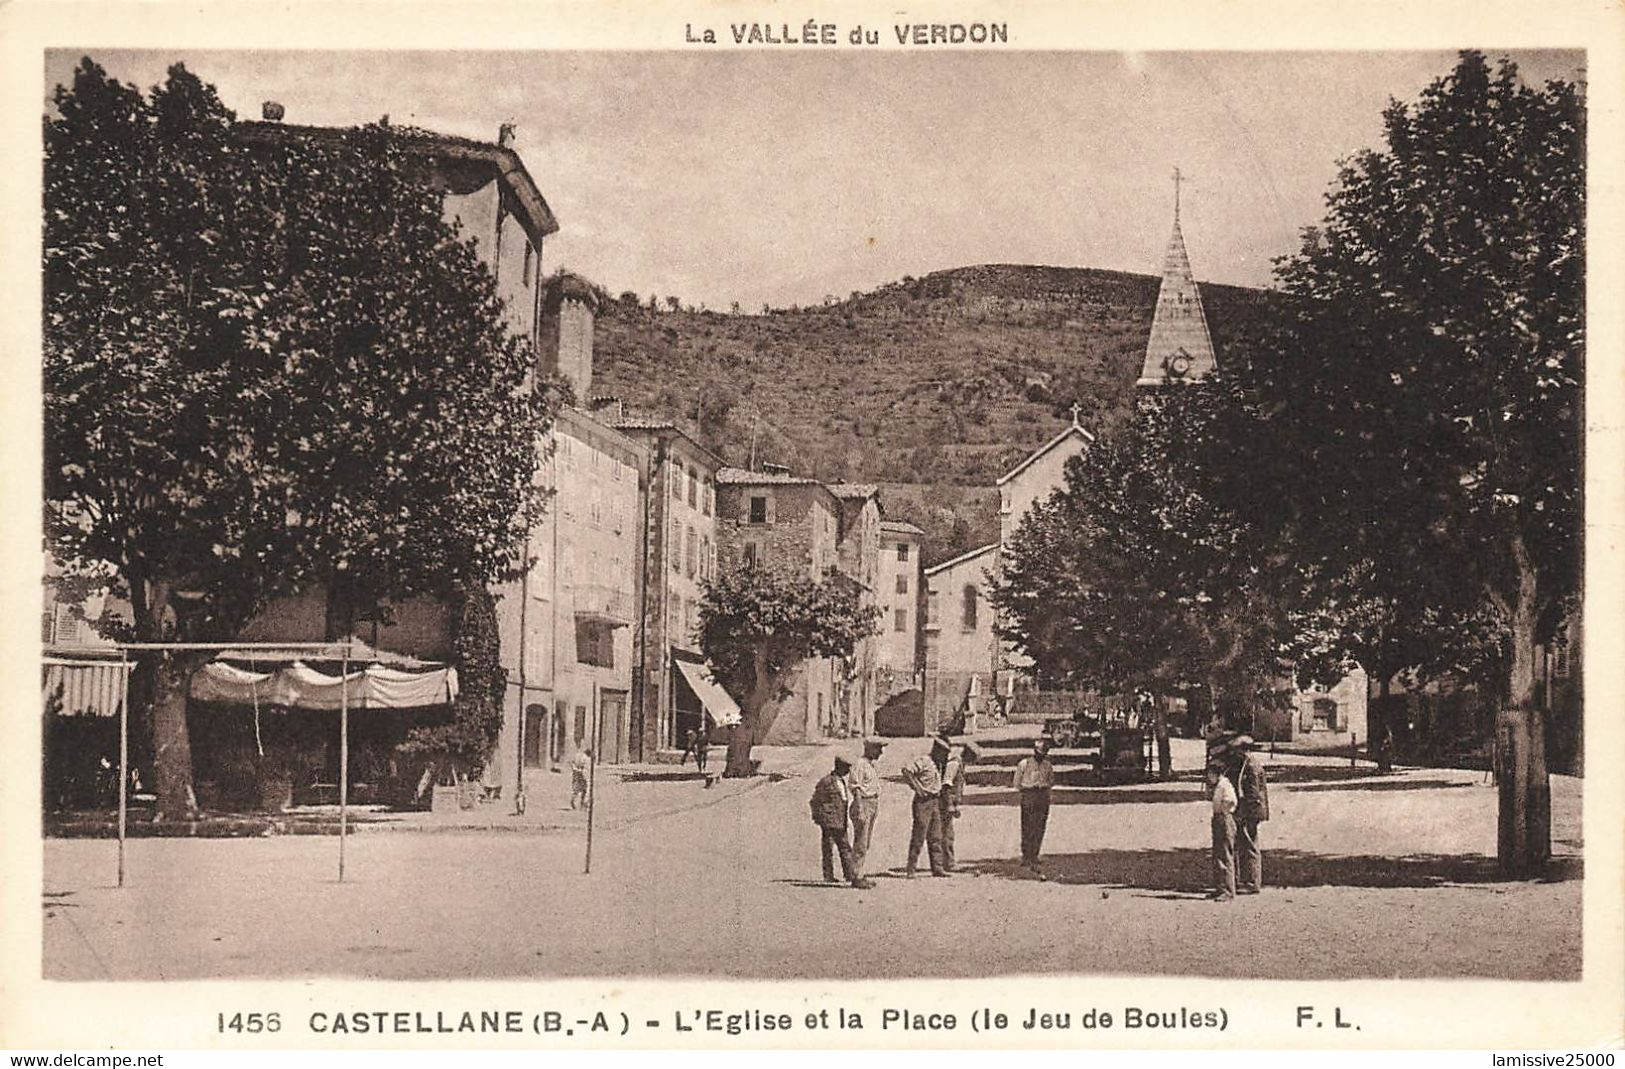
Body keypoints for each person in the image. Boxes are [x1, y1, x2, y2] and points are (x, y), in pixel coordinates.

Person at [809, 757, 871, 888]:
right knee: (831, 849)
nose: (848, 771)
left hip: (840, 821)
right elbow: (815, 801)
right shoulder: (826, 782)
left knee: (843, 848)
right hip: (830, 821)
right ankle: (831, 876)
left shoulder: (841, 781)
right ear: (839, 767)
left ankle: (848, 874)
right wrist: (820, 818)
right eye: (846, 768)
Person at [900, 735, 951, 877]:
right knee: (919, 835)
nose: (945, 755)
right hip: (923, 802)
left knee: (936, 836)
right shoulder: (924, 761)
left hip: (935, 801)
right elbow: (906, 771)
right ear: (936, 749)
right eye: (944, 752)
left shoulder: (939, 765)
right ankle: (911, 868)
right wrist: (917, 788)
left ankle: (937, 867)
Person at [1229, 735, 1271, 894]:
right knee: (1245, 844)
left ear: (1244, 749)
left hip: (1251, 812)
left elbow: (1253, 794)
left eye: (1237, 750)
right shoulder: (1248, 763)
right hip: (1249, 810)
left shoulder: (1251, 766)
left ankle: (1252, 882)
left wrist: (1246, 813)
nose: (1235, 753)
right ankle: (1247, 879)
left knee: (1249, 845)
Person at [1012, 737, 1056, 878]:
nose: (1041, 755)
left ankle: (1035, 854)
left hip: (1042, 795)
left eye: (1043, 753)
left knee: (1040, 825)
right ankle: (1026, 855)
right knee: (1027, 825)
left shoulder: (1048, 765)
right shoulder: (1024, 764)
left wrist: (1043, 789)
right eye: (1039, 752)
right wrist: (1028, 790)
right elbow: (1017, 783)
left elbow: (1051, 781)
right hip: (1029, 794)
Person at [850, 738, 886, 879]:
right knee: (861, 842)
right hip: (863, 803)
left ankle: (857, 872)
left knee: (866, 842)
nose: (881, 752)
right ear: (870, 749)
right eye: (878, 749)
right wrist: (859, 809)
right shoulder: (860, 765)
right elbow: (856, 788)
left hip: (872, 804)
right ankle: (855, 875)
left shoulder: (869, 765)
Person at [939, 742, 977, 872]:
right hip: (944, 803)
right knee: (947, 833)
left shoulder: (960, 764)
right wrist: (950, 804)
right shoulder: (954, 764)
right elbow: (946, 785)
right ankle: (948, 863)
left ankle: (946, 862)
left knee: (948, 833)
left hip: (950, 804)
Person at [1208, 758, 1238, 901]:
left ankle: (1228, 890)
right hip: (1219, 819)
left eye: (1211, 774)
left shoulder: (1225, 785)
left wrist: (1223, 812)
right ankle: (1220, 887)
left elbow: (1231, 800)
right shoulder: (1219, 785)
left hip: (1224, 819)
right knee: (1218, 854)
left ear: (1217, 773)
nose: (1209, 777)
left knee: (1225, 854)